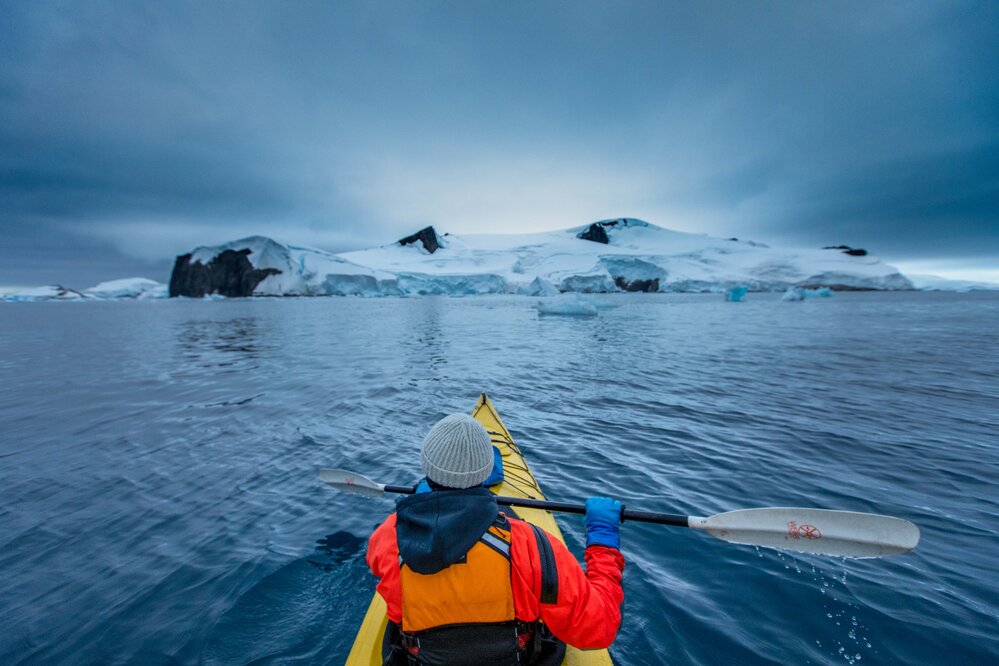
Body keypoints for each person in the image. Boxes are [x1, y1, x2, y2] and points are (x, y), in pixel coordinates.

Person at [366, 413, 625, 665]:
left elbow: (380, 565)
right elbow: (598, 628)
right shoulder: (531, 544)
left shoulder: (388, 536)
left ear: (426, 466)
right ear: (488, 472)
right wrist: (603, 541)